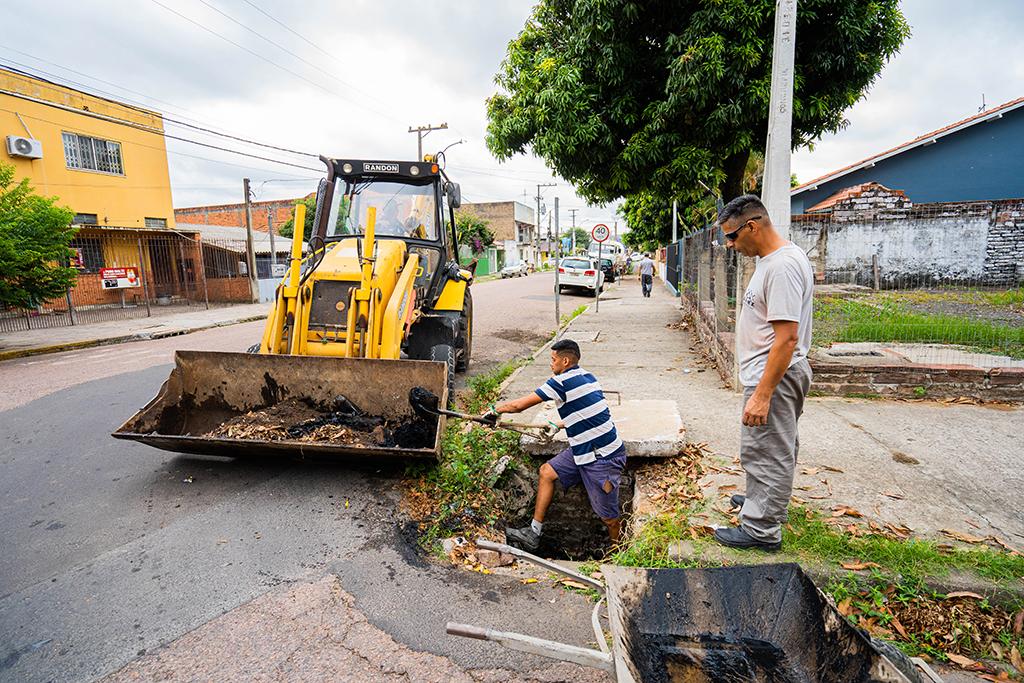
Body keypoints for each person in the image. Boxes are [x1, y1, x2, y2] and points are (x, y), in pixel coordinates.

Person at [713, 194, 814, 552]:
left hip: (776, 375)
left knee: (769, 450)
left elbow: (786, 339)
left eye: (732, 236)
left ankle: (761, 529)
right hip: (770, 373)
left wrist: (763, 393)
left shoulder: (782, 267)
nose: (730, 244)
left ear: (752, 226)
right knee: (764, 447)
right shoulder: (772, 260)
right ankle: (760, 502)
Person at [490, 339, 626, 551]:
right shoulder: (588, 377)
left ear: (565, 361)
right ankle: (534, 533)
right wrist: (557, 424)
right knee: (546, 472)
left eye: (553, 360)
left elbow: (518, 406)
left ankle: (618, 552)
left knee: (609, 518)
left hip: (603, 458)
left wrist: (494, 411)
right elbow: (586, 412)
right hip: (584, 450)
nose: (550, 364)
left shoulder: (559, 383)